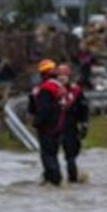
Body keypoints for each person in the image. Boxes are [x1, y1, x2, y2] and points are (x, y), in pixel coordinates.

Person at [26, 58, 67, 186]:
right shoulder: (59, 87)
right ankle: (52, 178)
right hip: (59, 126)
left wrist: (37, 123)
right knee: (53, 154)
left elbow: (42, 110)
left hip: (48, 127)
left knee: (47, 155)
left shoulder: (45, 89)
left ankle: (54, 180)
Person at [57, 62, 88, 184]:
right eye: (60, 75)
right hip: (56, 126)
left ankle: (72, 178)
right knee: (51, 155)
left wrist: (84, 123)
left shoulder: (76, 91)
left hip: (71, 126)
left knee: (71, 155)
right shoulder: (52, 90)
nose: (62, 77)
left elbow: (83, 108)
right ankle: (54, 177)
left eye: (64, 75)